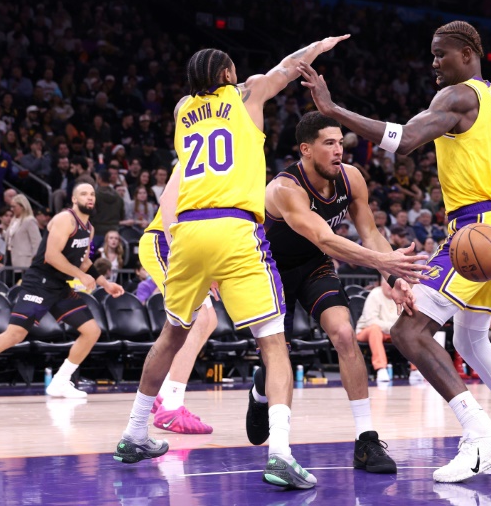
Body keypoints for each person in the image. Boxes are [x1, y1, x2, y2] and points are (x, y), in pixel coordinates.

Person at [298, 21, 491, 483]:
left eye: (441, 55)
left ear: (467, 52)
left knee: (409, 331)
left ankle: (481, 434)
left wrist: (333, 108)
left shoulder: (455, 97)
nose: (434, 64)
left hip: (475, 227)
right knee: (469, 339)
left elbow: (405, 140)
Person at [114, 36, 350, 492]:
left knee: (171, 335)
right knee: (273, 343)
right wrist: (321, 45)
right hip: (234, 227)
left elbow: (199, 99)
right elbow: (288, 64)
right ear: (226, 75)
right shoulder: (248, 95)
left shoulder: (183, 108)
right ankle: (279, 453)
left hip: (185, 233)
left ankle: (133, 433)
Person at [249, 112, 425, 473]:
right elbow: (326, 237)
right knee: (277, 354)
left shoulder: (352, 178)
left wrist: (392, 276)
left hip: (313, 264)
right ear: (306, 149)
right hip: (270, 269)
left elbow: (371, 234)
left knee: (345, 333)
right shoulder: (285, 189)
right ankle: (260, 392)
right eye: (329, 143)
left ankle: (366, 440)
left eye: (340, 142)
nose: (338, 150)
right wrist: (387, 263)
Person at [0, 184, 124, 397]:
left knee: (91, 331)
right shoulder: (64, 219)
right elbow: (52, 256)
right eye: (84, 194)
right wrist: (80, 275)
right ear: (74, 200)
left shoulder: (89, 228)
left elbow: (84, 261)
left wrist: (105, 283)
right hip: (39, 282)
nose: (90, 197)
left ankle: (60, 381)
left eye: (92, 194)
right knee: (15, 334)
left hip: (59, 286)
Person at [134, 162, 219, 434]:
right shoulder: (193, 154)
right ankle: (172, 405)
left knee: (209, 320)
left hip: (191, 247)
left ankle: (164, 393)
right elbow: (168, 200)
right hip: (166, 241)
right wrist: (178, 250)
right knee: (197, 318)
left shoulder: (226, 165)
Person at [5, 194, 42, 268]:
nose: (12, 209)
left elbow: (37, 242)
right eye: (11, 206)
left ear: (22, 207)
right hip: (10, 256)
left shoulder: (29, 220)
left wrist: (35, 260)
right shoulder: (13, 220)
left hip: (24, 261)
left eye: (14, 206)